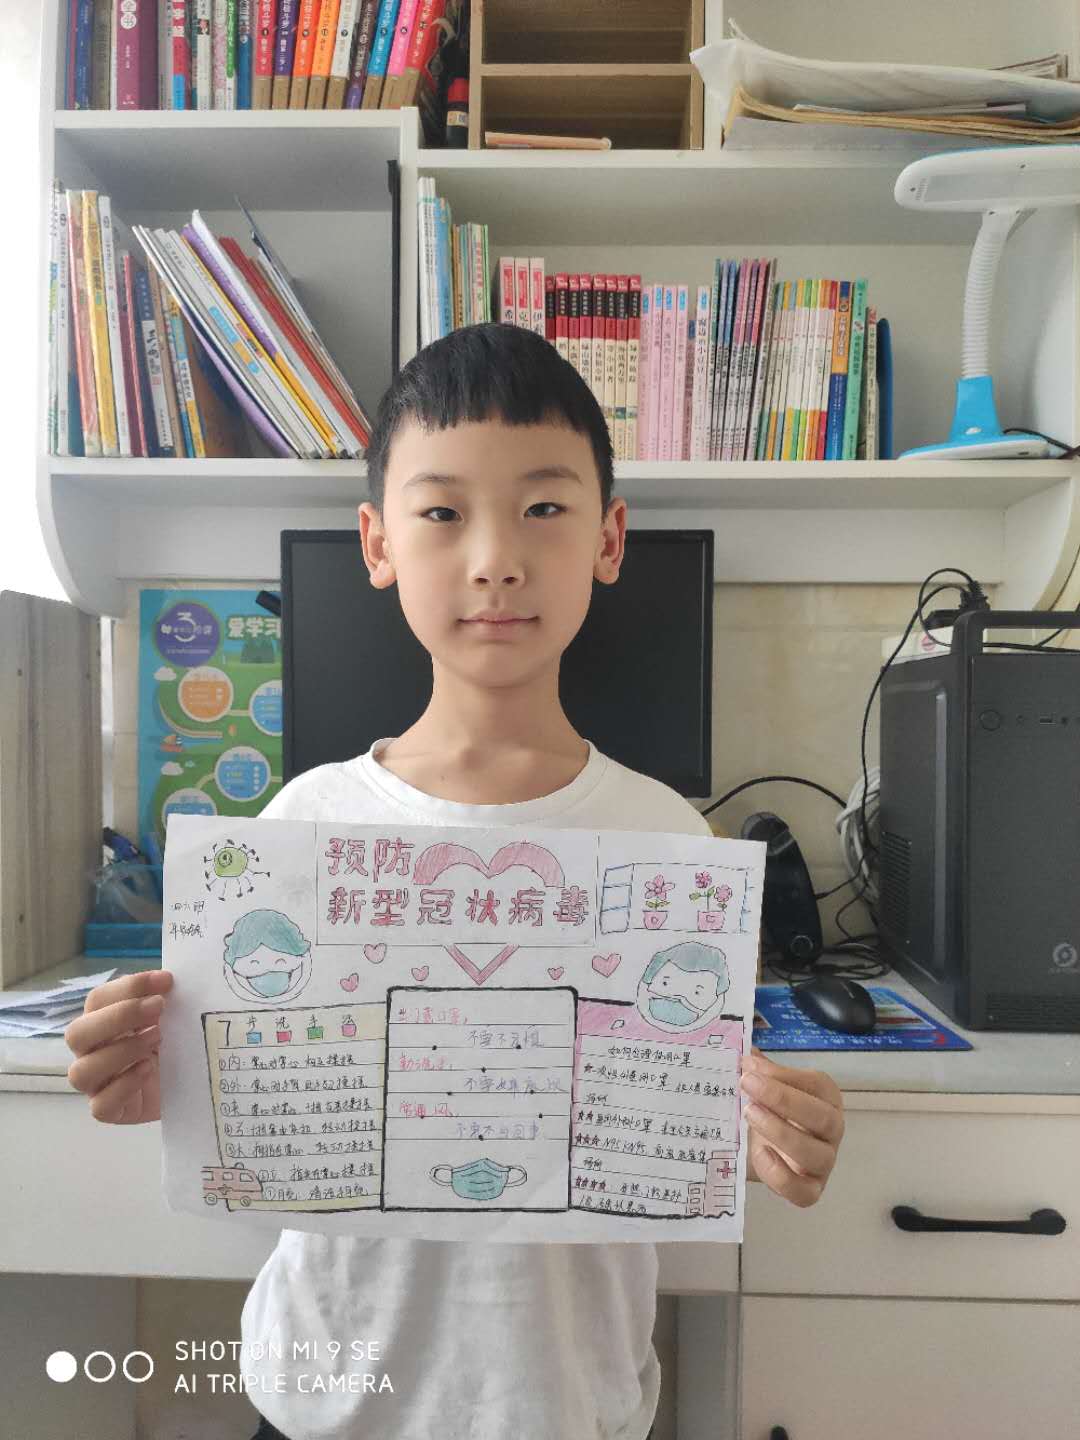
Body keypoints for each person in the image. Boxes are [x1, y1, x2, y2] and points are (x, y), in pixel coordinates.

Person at [65, 323, 846, 1440]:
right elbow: (254, 1107)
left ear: (609, 538)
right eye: (442, 513)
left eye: (544, 506)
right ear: (377, 542)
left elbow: (686, 1109)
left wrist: (767, 1139)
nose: (495, 559)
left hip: (566, 1406)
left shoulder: (668, 843)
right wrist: (171, 1081)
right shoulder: (299, 830)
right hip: (326, 1404)